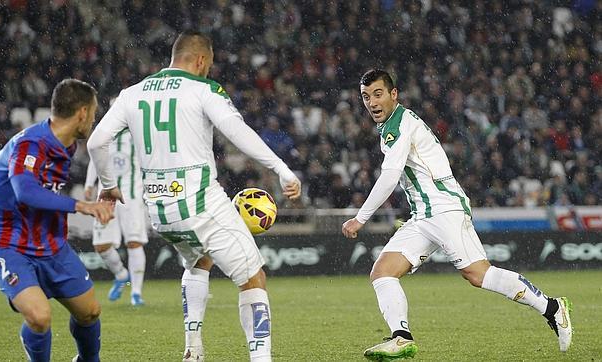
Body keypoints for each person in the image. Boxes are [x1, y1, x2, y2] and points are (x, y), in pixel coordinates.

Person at [87, 31, 301, 362]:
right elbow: (236, 131)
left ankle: (193, 350)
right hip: (199, 198)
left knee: (200, 260)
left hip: (158, 208)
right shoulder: (203, 90)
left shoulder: (131, 94)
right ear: (201, 60)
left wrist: (107, 183)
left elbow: (95, 142)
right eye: (209, 64)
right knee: (253, 277)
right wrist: (282, 169)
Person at [341, 69, 572, 360]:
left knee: (478, 274)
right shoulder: (391, 126)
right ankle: (401, 337)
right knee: (382, 271)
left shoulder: (400, 124)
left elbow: (390, 176)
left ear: (393, 94)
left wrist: (360, 217)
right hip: (424, 214)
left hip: (444, 209)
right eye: (365, 97)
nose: (372, 102)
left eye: (378, 94)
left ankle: (553, 308)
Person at [0, 79, 117, 362]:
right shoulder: (30, 144)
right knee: (40, 317)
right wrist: (81, 206)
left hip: (49, 243)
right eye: (93, 112)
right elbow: (25, 192)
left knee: (89, 312)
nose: (93, 119)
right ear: (82, 114)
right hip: (6, 244)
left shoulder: (66, 145)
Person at [85, 116, 149, 307]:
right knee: (101, 246)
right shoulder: (104, 133)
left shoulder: (140, 134)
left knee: (134, 243)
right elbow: (96, 158)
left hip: (132, 196)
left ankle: (136, 293)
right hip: (106, 198)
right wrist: (89, 184)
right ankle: (121, 275)